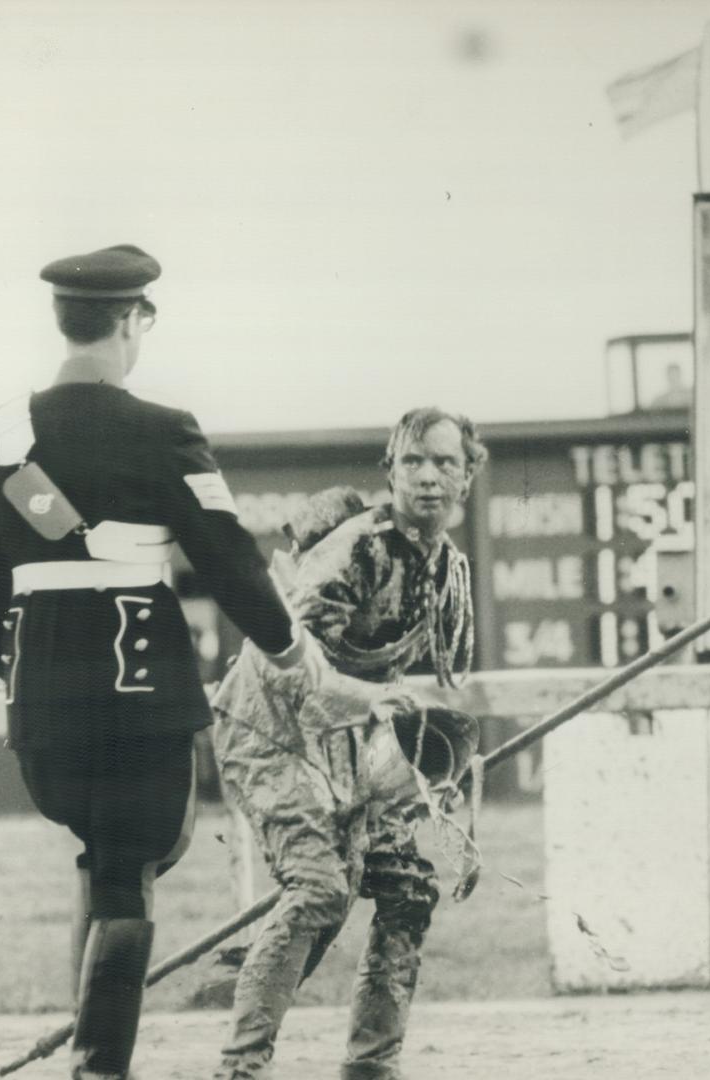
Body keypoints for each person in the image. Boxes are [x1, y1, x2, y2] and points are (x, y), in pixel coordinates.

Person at [0, 243, 322, 1080]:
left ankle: (92, 1048)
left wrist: (18, 671)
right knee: (128, 867)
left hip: (41, 709)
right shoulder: (162, 431)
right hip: (140, 691)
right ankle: (98, 1068)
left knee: (103, 859)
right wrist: (294, 654)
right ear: (130, 320)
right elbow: (229, 561)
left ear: (61, 319)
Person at [211, 406, 488, 1080]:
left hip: (349, 744)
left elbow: (441, 688)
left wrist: (436, 767)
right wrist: (373, 704)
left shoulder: (449, 568)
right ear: (389, 471)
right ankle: (240, 1068)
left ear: (468, 476)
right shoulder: (354, 550)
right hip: (269, 730)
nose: (427, 478)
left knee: (409, 890)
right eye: (413, 462)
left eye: (444, 463)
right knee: (319, 891)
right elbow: (289, 668)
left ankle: (371, 1067)